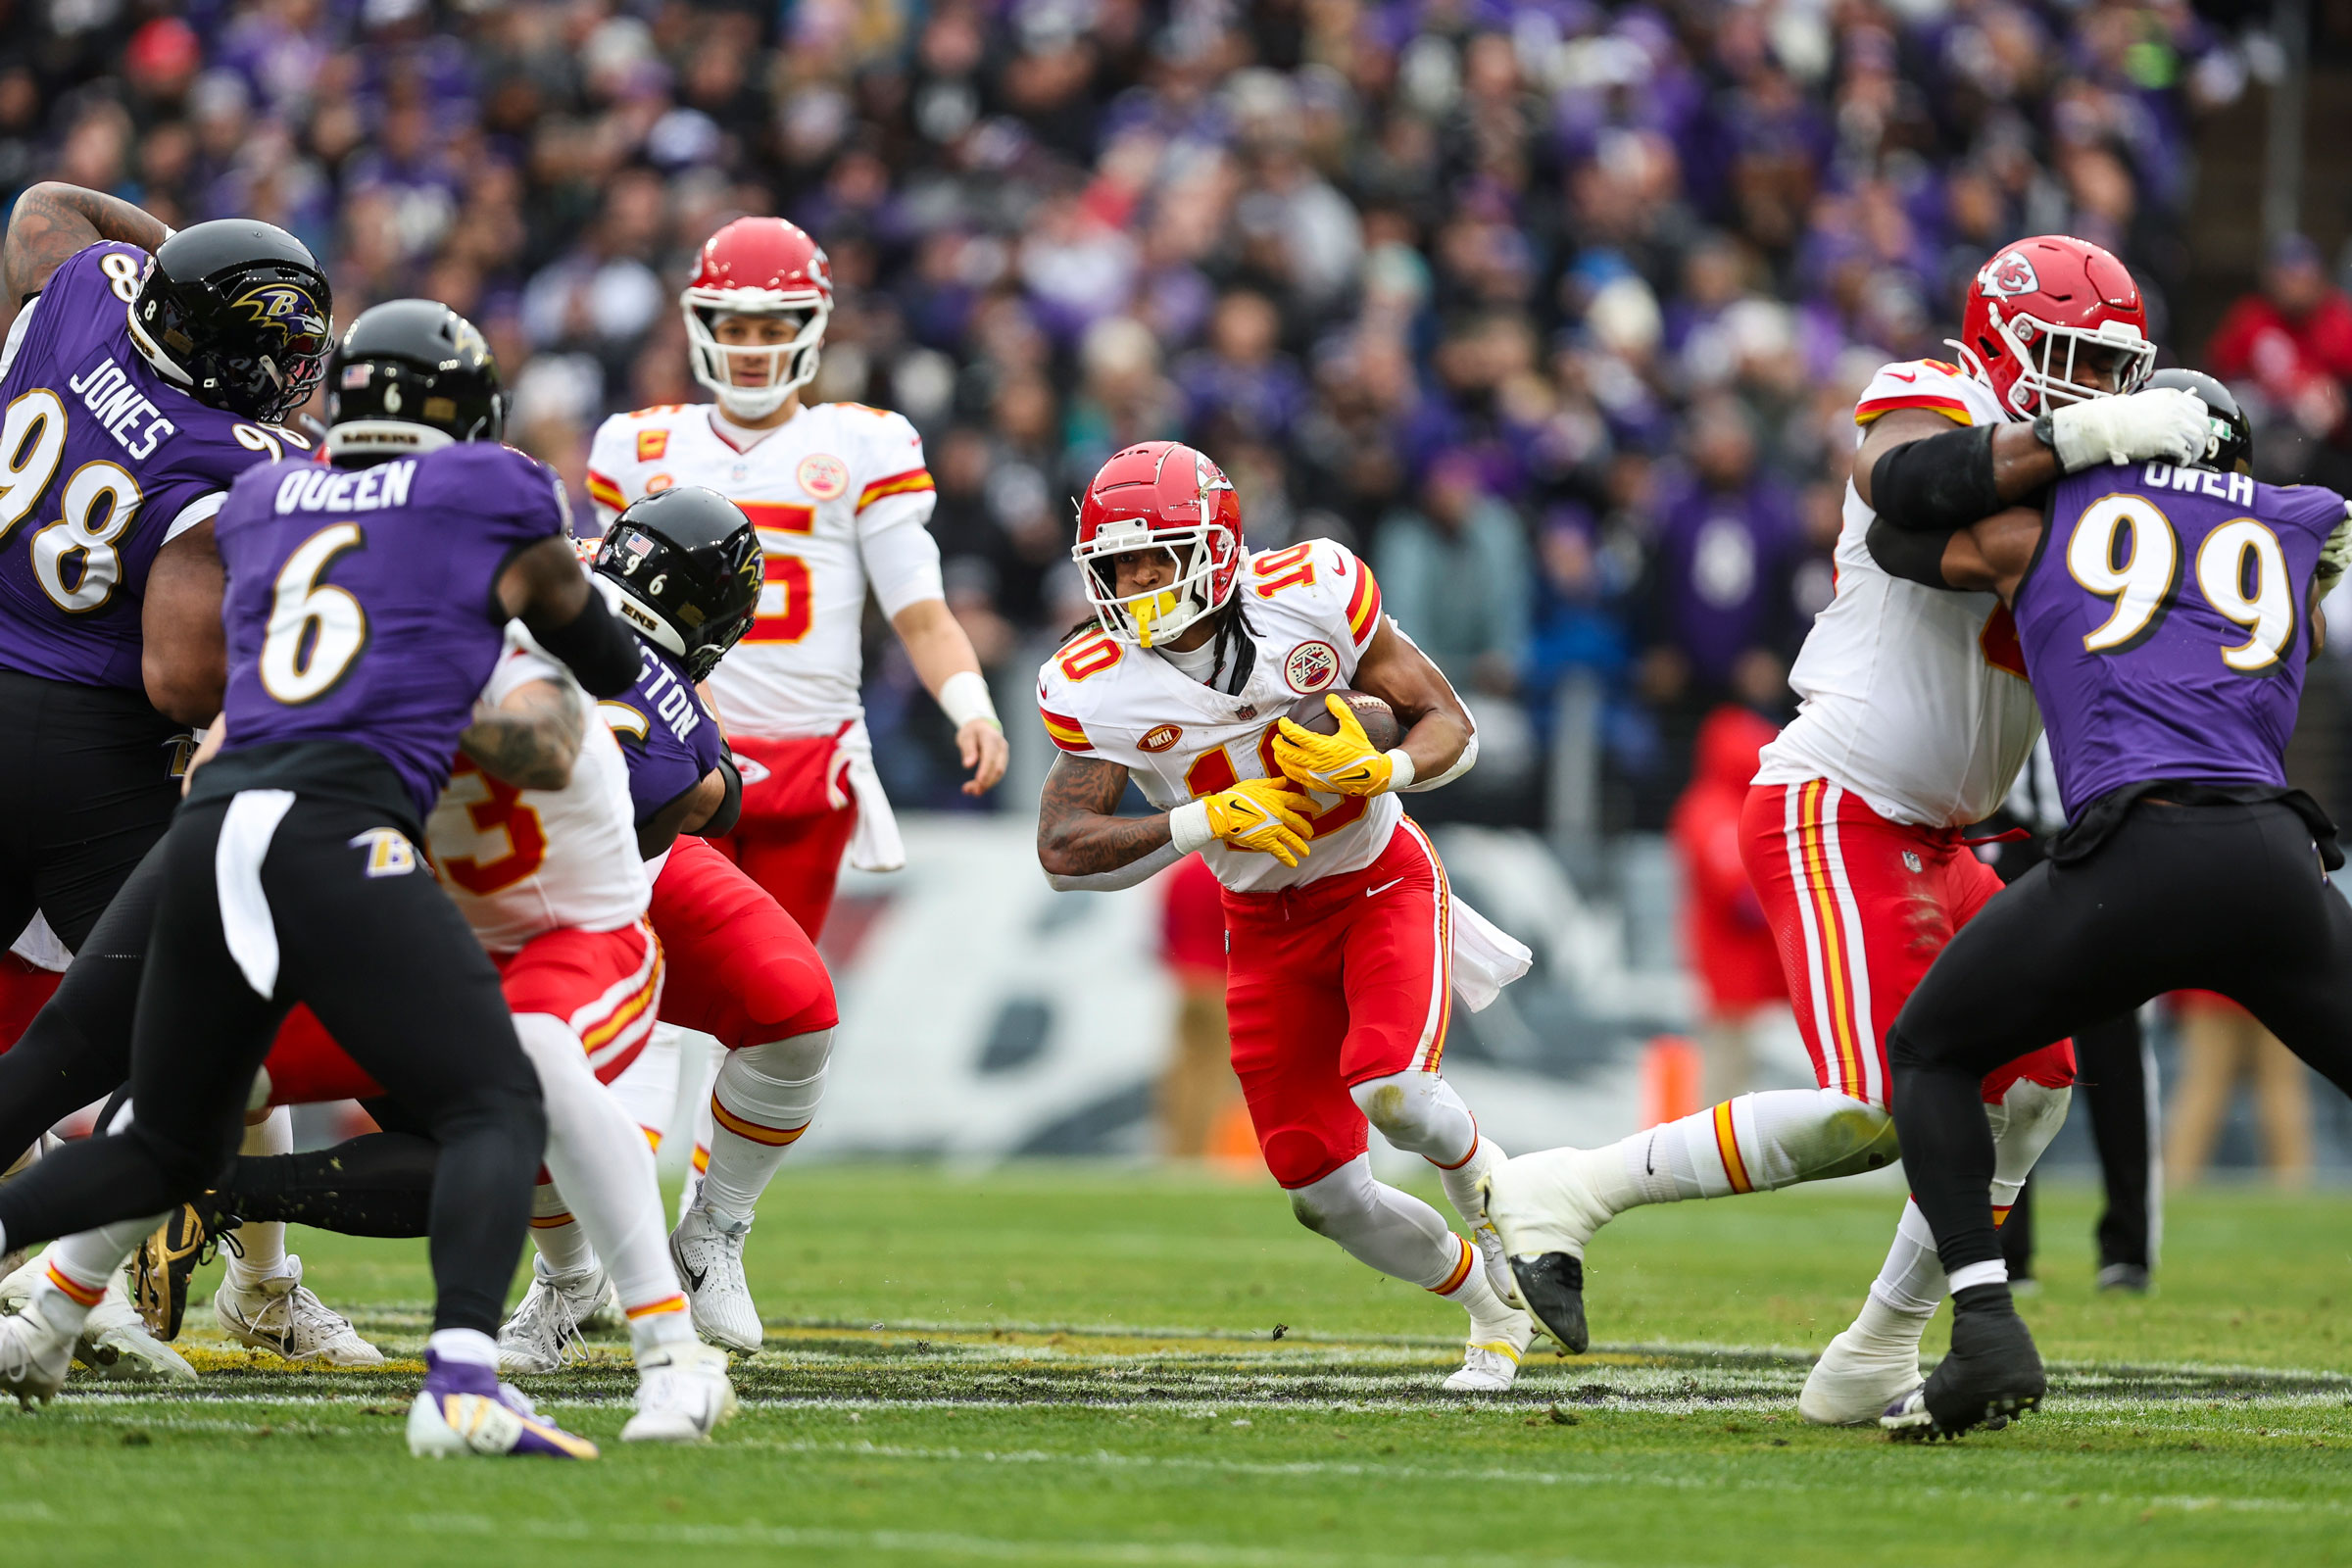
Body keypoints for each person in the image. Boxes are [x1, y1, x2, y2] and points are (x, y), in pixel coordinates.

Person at [1484, 236, 2214, 1423]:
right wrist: (2093, 454)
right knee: (1881, 1102)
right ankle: (1565, 1189)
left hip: (1942, 834)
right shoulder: (1941, 396)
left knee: (2033, 1082)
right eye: (2072, 363)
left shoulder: (2097, 480)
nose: (2097, 391)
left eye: (2115, 373)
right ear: (2001, 347)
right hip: (1841, 804)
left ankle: (1881, 1343)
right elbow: (1908, 482)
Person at [0, 299, 645, 1461]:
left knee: (163, 1145)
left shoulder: (262, 498)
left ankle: (45, 1303)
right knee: (495, 1100)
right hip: (337, 828)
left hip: (209, 822)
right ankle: (461, 1382)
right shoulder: (489, 490)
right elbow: (595, 646)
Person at [1863, 370, 2352, 1438]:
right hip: (2272, 857)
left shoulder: (2045, 522)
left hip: (2130, 850)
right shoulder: (2304, 523)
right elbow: (2307, 609)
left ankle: (1987, 1324)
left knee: (1933, 1051)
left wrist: (2054, 448)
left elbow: (1895, 521)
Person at [1032, 440, 1538, 1393]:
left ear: (1216, 547)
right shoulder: (1093, 680)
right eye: (1118, 564)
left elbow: (1449, 722)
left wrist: (1380, 766)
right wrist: (1195, 818)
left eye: (1158, 556)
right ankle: (1493, 1302)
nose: (1137, 582)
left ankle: (1523, 1220)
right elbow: (1062, 844)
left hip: (1378, 877)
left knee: (1396, 1089)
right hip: (1260, 921)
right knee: (1321, 1191)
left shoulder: (1312, 590)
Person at [0, 181, 376, 1365]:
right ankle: (76, 1277)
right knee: (187, 1011)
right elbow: (175, 674)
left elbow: (49, 206)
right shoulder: (235, 453)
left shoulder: (83, 296)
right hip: (75, 739)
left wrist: (187, 269)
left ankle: (122, 1266)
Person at [584, 216, 1008, 938]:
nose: (753, 348)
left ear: (811, 327)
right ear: (700, 324)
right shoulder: (636, 444)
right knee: (650, 985)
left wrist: (972, 706)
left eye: (773, 326)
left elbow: (922, 615)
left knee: (782, 1011)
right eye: (736, 327)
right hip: (672, 752)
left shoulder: (864, 443)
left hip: (809, 760)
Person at [1667, 704, 1787, 1102]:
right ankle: (1713, 1152)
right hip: (1731, 957)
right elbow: (1742, 897)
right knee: (1726, 1063)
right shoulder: (1714, 807)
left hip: (1746, 962)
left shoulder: (1735, 803)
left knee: (1742, 1063)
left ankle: (1726, 1148)